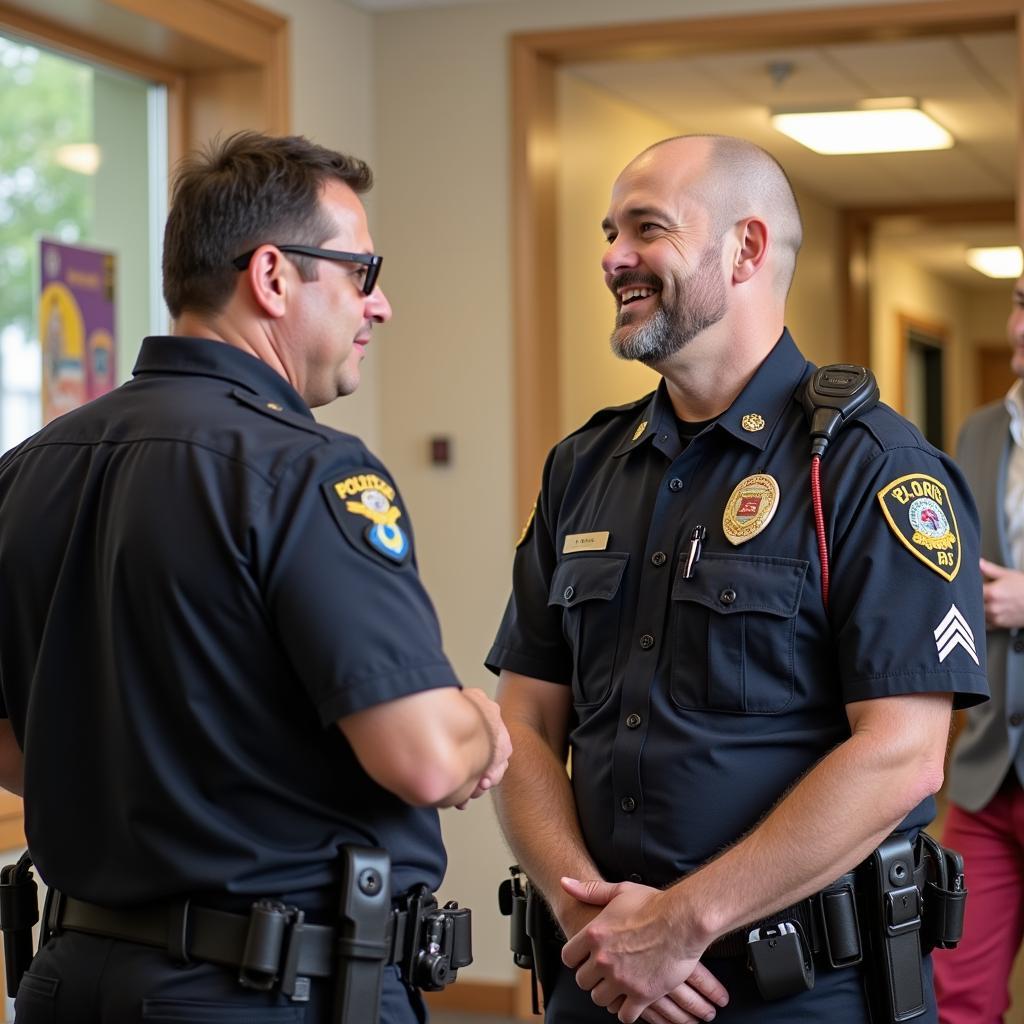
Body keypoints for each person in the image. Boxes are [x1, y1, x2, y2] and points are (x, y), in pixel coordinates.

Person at [0, 131, 511, 1023]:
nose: (379, 305)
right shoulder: (304, 471)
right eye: (361, 272)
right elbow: (423, 758)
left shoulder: (29, 468)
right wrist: (480, 723)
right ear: (273, 276)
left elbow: (16, 741)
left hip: (68, 982)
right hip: (267, 990)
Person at [486, 134, 989, 1024]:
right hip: (598, 979)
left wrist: (679, 925)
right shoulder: (584, 466)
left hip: (798, 993)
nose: (612, 258)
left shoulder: (872, 470)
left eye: (647, 229)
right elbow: (524, 718)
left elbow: (903, 756)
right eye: (610, 232)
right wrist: (588, 919)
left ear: (747, 248)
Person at [933, 274, 1024, 1023]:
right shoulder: (978, 432)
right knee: (955, 995)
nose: (1021, 325)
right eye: (1023, 303)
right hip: (987, 772)